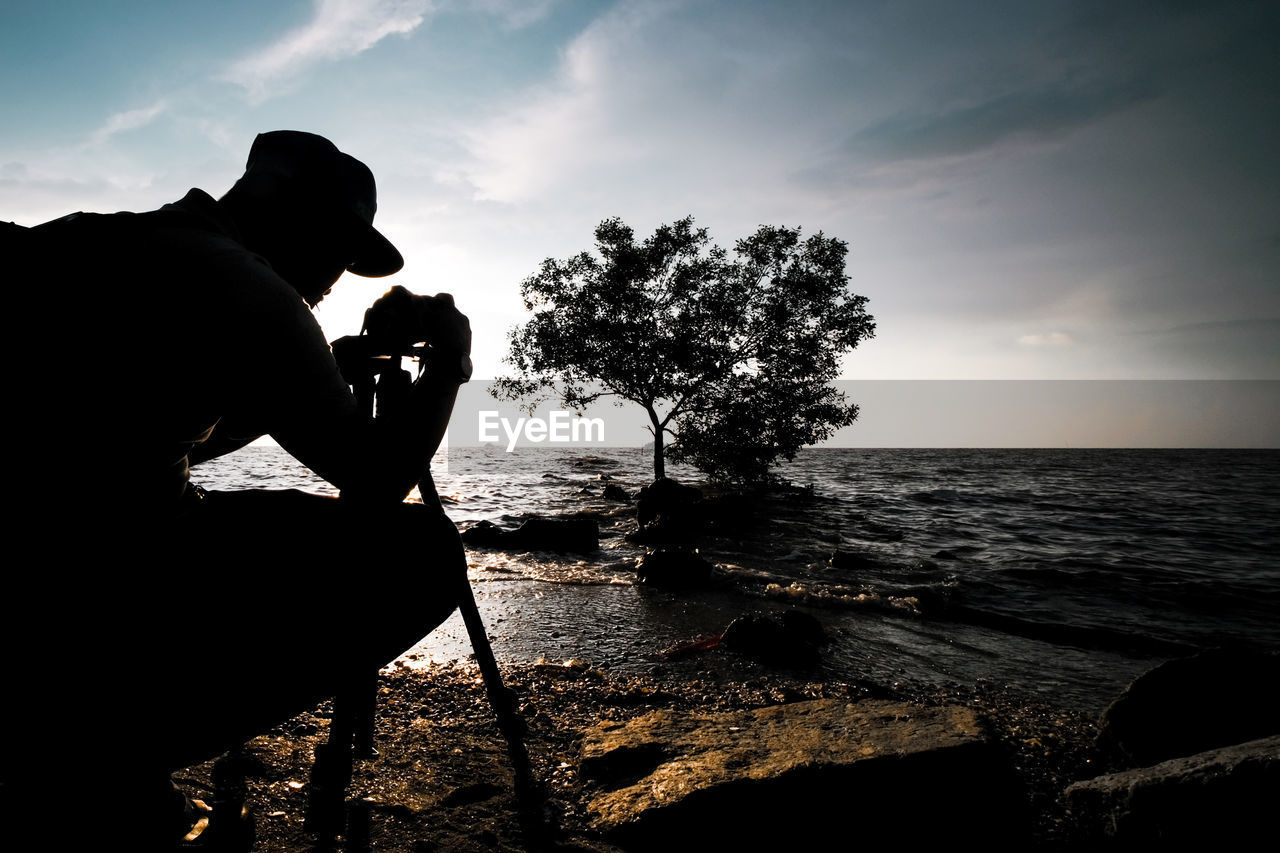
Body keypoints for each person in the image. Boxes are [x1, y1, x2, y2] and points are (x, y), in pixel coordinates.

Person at [1, 131, 473, 846]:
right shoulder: (249, 285)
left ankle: (83, 745)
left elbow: (164, 432)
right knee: (424, 553)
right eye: (337, 249)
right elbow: (377, 476)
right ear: (285, 208)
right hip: (102, 593)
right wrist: (450, 365)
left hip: (34, 577)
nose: (335, 277)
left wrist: (308, 372)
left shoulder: (97, 243)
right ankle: (110, 754)